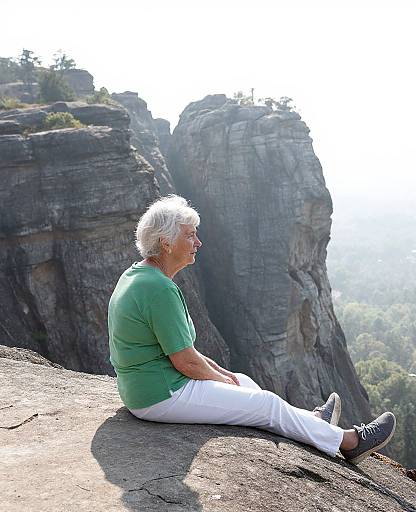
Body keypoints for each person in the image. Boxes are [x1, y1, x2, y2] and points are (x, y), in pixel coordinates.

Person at [108, 195, 395, 464]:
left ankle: (312, 420)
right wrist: (218, 379)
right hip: (160, 396)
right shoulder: (158, 289)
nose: (198, 242)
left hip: (152, 387)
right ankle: (349, 442)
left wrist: (224, 375)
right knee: (266, 404)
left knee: (243, 381)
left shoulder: (141, 275)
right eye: (190, 235)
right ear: (166, 243)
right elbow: (184, 361)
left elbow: (187, 352)